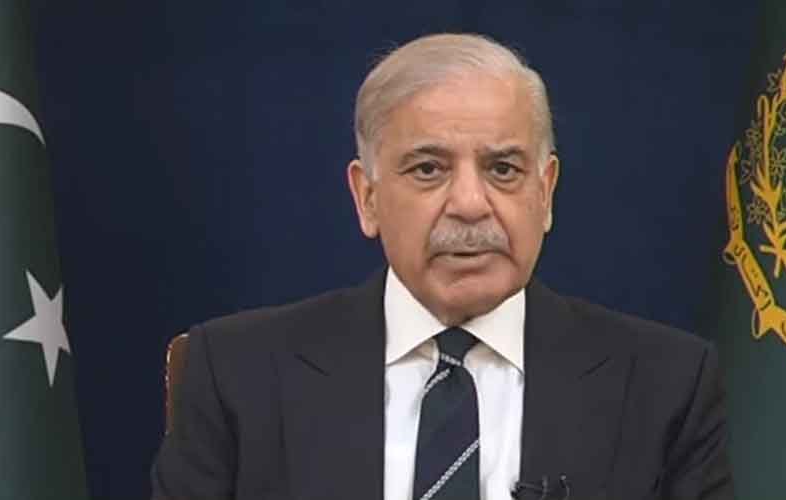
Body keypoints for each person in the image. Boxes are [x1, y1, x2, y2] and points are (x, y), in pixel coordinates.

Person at [151, 33, 733, 500]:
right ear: (367, 197)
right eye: (428, 169)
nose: (471, 204)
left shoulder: (666, 385)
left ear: (546, 191)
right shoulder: (236, 375)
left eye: (503, 169)